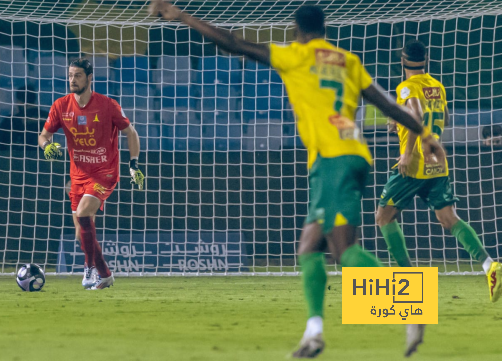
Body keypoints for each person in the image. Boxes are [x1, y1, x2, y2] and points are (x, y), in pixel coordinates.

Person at [149, 2, 446, 358]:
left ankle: (412, 311)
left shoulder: (296, 55)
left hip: (332, 159)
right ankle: (314, 332)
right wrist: (425, 134)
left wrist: (181, 16)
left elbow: (233, 43)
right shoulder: (346, 60)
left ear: (297, 30)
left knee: (344, 251)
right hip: (350, 155)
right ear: (325, 29)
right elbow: (387, 104)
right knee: (309, 248)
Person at [376, 39, 502, 355]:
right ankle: (491, 267)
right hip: (438, 163)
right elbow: (433, 116)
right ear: (427, 60)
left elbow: (416, 112)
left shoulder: (406, 86)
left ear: (402, 60)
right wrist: (398, 123)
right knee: (449, 219)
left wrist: (406, 151)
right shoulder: (437, 86)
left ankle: (406, 282)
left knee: (384, 217)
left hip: (415, 163)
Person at [38, 58, 145, 290]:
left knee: (85, 212)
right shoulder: (61, 106)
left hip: (105, 172)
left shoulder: (108, 105)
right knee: (81, 234)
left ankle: (88, 269)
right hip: (78, 176)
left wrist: (133, 164)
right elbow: (43, 135)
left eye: (77, 75)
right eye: (70, 75)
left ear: (89, 78)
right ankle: (105, 275)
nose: (72, 80)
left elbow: (131, 133)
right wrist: (47, 146)